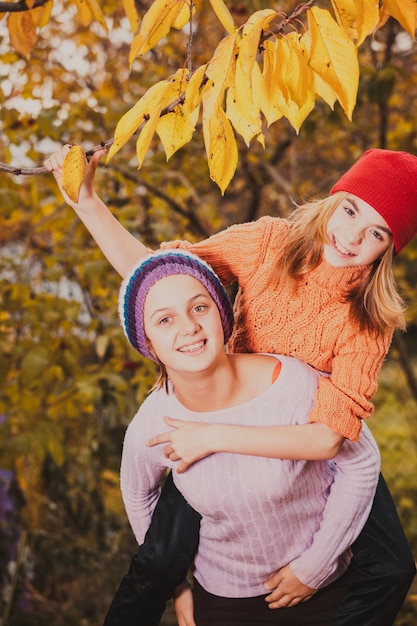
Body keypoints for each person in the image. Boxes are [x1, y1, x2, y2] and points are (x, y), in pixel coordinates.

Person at [45, 147, 417, 625]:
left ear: (388, 247)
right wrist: (87, 203)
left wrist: (213, 439)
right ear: (334, 199)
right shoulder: (266, 243)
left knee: (390, 567)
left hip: (307, 436)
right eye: (349, 211)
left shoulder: (368, 317)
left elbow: (328, 438)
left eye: (376, 233)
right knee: (158, 561)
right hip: (227, 402)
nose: (350, 237)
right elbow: (160, 280)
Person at [118, 248, 381, 626]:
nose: (189, 327)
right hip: (224, 602)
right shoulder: (152, 425)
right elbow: (137, 493)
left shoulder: (293, 383)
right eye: (164, 320)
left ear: (221, 315)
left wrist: (315, 567)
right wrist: (176, 585)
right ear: (148, 344)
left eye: (199, 308)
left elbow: (361, 464)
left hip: (324, 592)